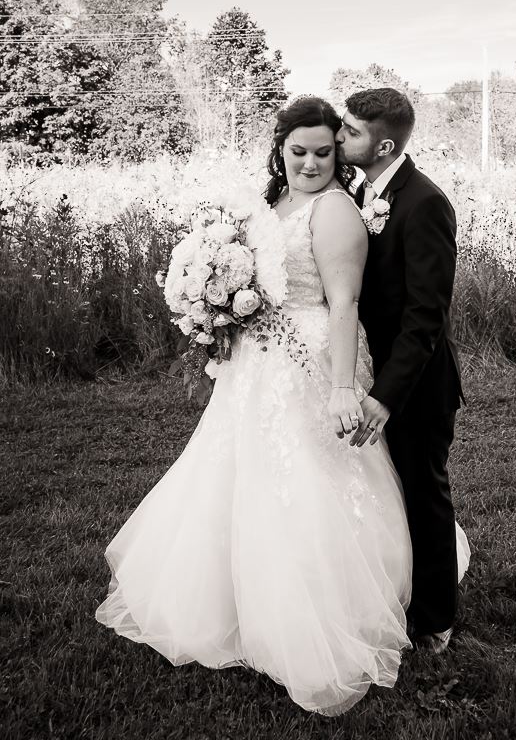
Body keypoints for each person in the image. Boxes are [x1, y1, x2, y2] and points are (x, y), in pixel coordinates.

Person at [96, 95, 468, 715]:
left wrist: (349, 386)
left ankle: (421, 614)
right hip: (261, 361)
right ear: (281, 150)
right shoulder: (287, 202)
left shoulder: (364, 206)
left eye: (330, 147)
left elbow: (369, 306)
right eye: (302, 150)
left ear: (368, 147)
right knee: (241, 475)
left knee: (366, 481)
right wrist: (219, 307)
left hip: (343, 363)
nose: (318, 159)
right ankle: (238, 597)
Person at [336, 88, 464, 654]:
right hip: (375, 369)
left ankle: (436, 620)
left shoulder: (424, 203)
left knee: (423, 493)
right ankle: (392, 590)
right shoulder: (361, 191)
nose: (340, 137)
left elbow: (425, 318)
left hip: (417, 384)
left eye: (351, 132)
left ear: (383, 145)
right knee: (386, 492)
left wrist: (386, 395)